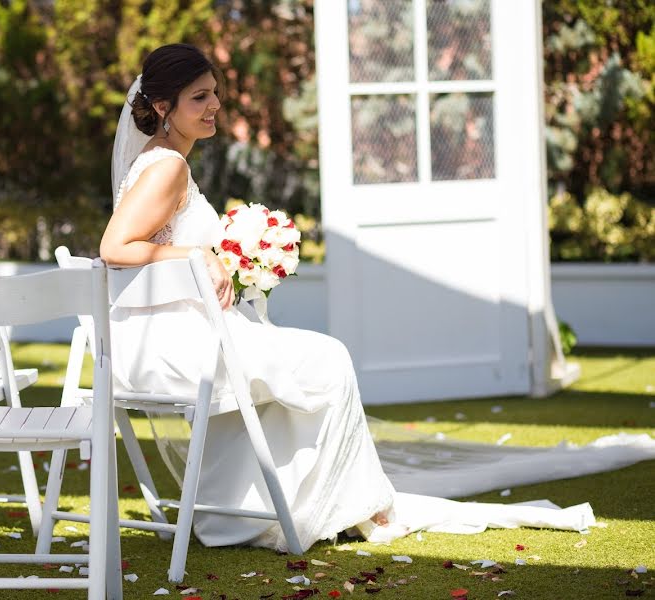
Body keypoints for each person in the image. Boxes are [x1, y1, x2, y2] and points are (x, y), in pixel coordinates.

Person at [99, 43, 647, 551]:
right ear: (165, 105)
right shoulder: (167, 165)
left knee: (302, 365)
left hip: (172, 337)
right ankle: (353, 509)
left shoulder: (161, 158)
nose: (216, 104)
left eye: (216, 92)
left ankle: (255, 509)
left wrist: (224, 261)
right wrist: (197, 256)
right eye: (201, 97)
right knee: (328, 360)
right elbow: (114, 247)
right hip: (176, 346)